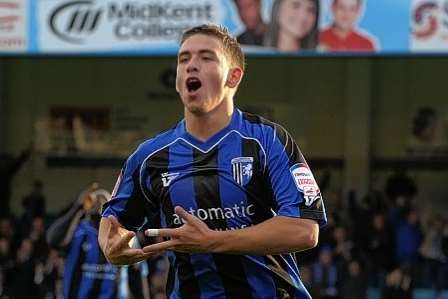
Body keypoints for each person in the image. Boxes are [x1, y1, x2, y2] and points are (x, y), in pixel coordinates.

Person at [100, 24, 326, 299]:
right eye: (184, 59)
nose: (191, 65)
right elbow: (113, 223)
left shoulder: (266, 141)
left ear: (233, 77)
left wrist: (212, 241)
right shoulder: (150, 156)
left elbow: (303, 230)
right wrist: (113, 248)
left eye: (206, 58)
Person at [47, 184, 149, 299]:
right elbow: (52, 239)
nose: (100, 201)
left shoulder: (124, 234)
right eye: (96, 199)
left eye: (106, 198)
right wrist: (78, 207)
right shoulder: (76, 232)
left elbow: (137, 275)